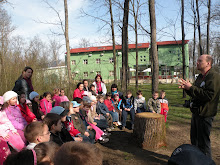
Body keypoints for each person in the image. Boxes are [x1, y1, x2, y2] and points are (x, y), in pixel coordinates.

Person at [179, 54, 220, 158]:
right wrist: (187, 88)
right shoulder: (201, 77)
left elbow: (209, 95)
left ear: (208, 63)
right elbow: (196, 94)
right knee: (194, 141)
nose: (197, 63)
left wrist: (191, 88)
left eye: (200, 61)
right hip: (196, 113)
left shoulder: (214, 76)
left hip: (205, 114)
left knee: (203, 144)